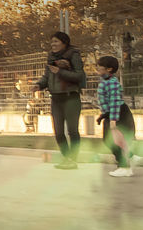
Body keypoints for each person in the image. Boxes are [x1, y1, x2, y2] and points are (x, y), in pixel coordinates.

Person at [36, 31, 86, 169]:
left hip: (71, 97)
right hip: (56, 98)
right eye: (52, 42)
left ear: (64, 43)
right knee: (58, 132)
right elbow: (47, 76)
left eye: (56, 41)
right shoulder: (51, 57)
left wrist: (60, 72)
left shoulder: (73, 55)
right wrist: (39, 84)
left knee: (72, 131)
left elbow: (79, 76)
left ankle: (73, 160)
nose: (53, 44)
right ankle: (66, 158)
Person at [96, 56, 136, 177]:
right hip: (111, 113)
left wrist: (113, 120)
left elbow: (114, 102)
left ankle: (124, 166)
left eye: (100, 68)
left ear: (109, 69)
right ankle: (130, 158)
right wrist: (103, 115)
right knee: (112, 141)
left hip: (118, 113)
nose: (98, 70)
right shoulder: (106, 82)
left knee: (114, 141)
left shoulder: (112, 83)